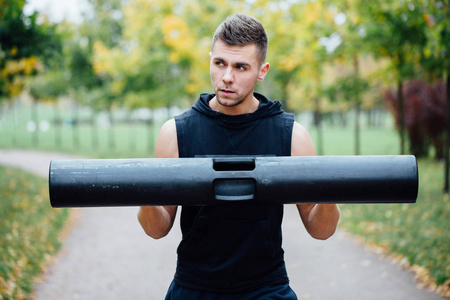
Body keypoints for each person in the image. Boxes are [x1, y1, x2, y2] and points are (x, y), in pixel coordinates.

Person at [138, 13, 340, 299]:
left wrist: (332, 186)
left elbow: (321, 230)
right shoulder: (175, 133)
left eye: (241, 67)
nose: (227, 77)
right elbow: (156, 229)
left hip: (266, 287)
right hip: (194, 287)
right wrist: (144, 188)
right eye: (219, 63)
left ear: (262, 70)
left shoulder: (292, 136)